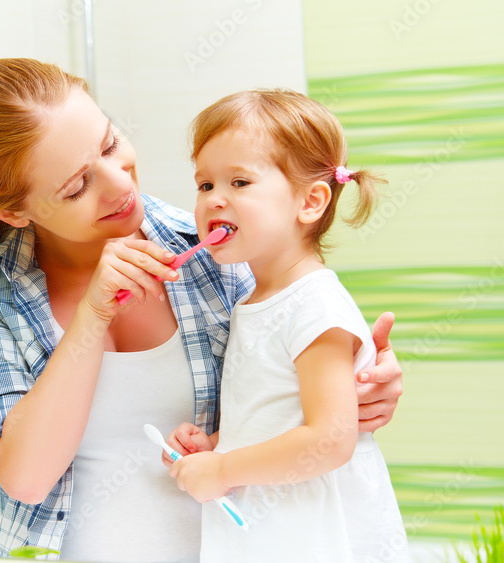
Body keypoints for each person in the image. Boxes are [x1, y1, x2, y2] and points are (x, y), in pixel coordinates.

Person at [0, 58, 404, 561]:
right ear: (12, 211)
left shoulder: (215, 251)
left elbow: (294, 392)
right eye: (78, 185)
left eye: (110, 144)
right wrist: (92, 315)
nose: (120, 183)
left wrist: (362, 384)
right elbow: (27, 477)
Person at [166, 89, 410, 562]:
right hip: (276, 522)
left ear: (311, 201)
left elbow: (330, 439)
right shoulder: (258, 298)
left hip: (315, 530)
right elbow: (278, 414)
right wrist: (215, 445)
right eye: (204, 185)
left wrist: (222, 469)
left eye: (239, 182)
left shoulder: (314, 305)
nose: (215, 200)